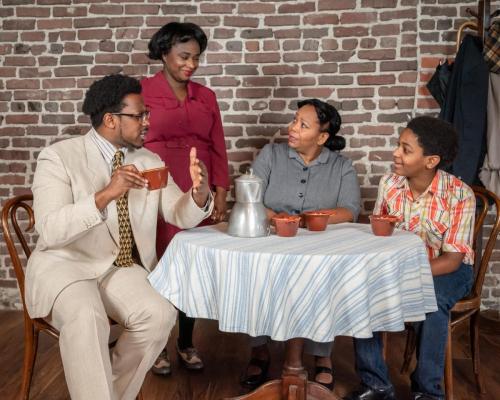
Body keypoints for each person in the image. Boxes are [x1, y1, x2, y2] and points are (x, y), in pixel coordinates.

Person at [24, 74, 213, 400]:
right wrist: (105, 194)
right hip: (65, 265)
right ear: (111, 119)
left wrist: (198, 195)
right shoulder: (59, 157)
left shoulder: (148, 161)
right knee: (87, 315)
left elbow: (176, 212)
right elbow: (51, 229)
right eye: (139, 115)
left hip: (118, 268)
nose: (147, 122)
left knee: (160, 314)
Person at [344, 116, 475, 400]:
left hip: (447, 269)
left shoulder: (459, 195)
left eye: (406, 149)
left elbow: (452, 260)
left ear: (430, 161)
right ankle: (375, 384)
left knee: (433, 301)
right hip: (400, 266)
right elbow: (380, 232)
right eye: (398, 145)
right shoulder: (390, 183)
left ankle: (427, 390)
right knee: (363, 292)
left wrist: (405, 274)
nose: (396, 153)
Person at [242, 99, 361, 390]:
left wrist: (309, 220)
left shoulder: (342, 166)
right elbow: (251, 196)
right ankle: (259, 349)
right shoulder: (271, 154)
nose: (292, 128)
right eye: (295, 120)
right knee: (255, 277)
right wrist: (276, 218)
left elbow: (350, 210)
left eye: (302, 125)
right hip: (272, 239)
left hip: (319, 245)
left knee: (322, 279)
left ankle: (322, 355)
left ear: (322, 137)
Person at [141, 21, 230, 375]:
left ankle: (186, 341)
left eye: (196, 57)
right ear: (164, 53)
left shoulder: (206, 96)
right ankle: (158, 343)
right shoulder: (142, 91)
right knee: (158, 267)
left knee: (192, 268)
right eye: (183, 56)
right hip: (155, 193)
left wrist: (220, 193)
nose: (190, 64)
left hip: (198, 192)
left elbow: (218, 148)